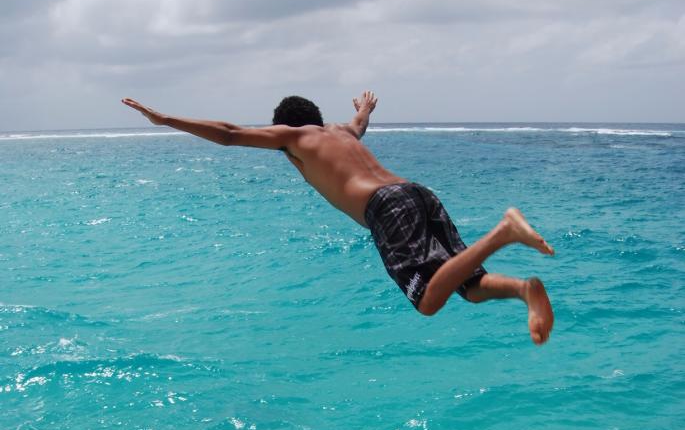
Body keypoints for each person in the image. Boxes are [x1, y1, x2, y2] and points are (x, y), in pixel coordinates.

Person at [122, 92, 554, 344]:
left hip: (386, 206)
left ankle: (503, 232)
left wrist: (166, 119)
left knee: (427, 300)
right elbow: (359, 122)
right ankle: (523, 289)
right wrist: (364, 108)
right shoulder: (341, 132)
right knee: (466, 286)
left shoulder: (294, 137)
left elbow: (230, 134)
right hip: (419, 194)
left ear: (284, 129)